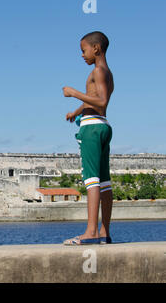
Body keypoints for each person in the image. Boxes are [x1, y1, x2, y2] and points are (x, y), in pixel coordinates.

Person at [62, 31, 114, 245]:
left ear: (96, 48)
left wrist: (73, 92)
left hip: (92, 129)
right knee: (104, 182)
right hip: (103, 126)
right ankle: (104, 232)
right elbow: (94, 99)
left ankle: (91, 232)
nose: (82, 55)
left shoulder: (98, 71)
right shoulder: (107, 72)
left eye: (83, 50)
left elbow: (100, 100)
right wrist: (76, 112)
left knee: (91, 179)